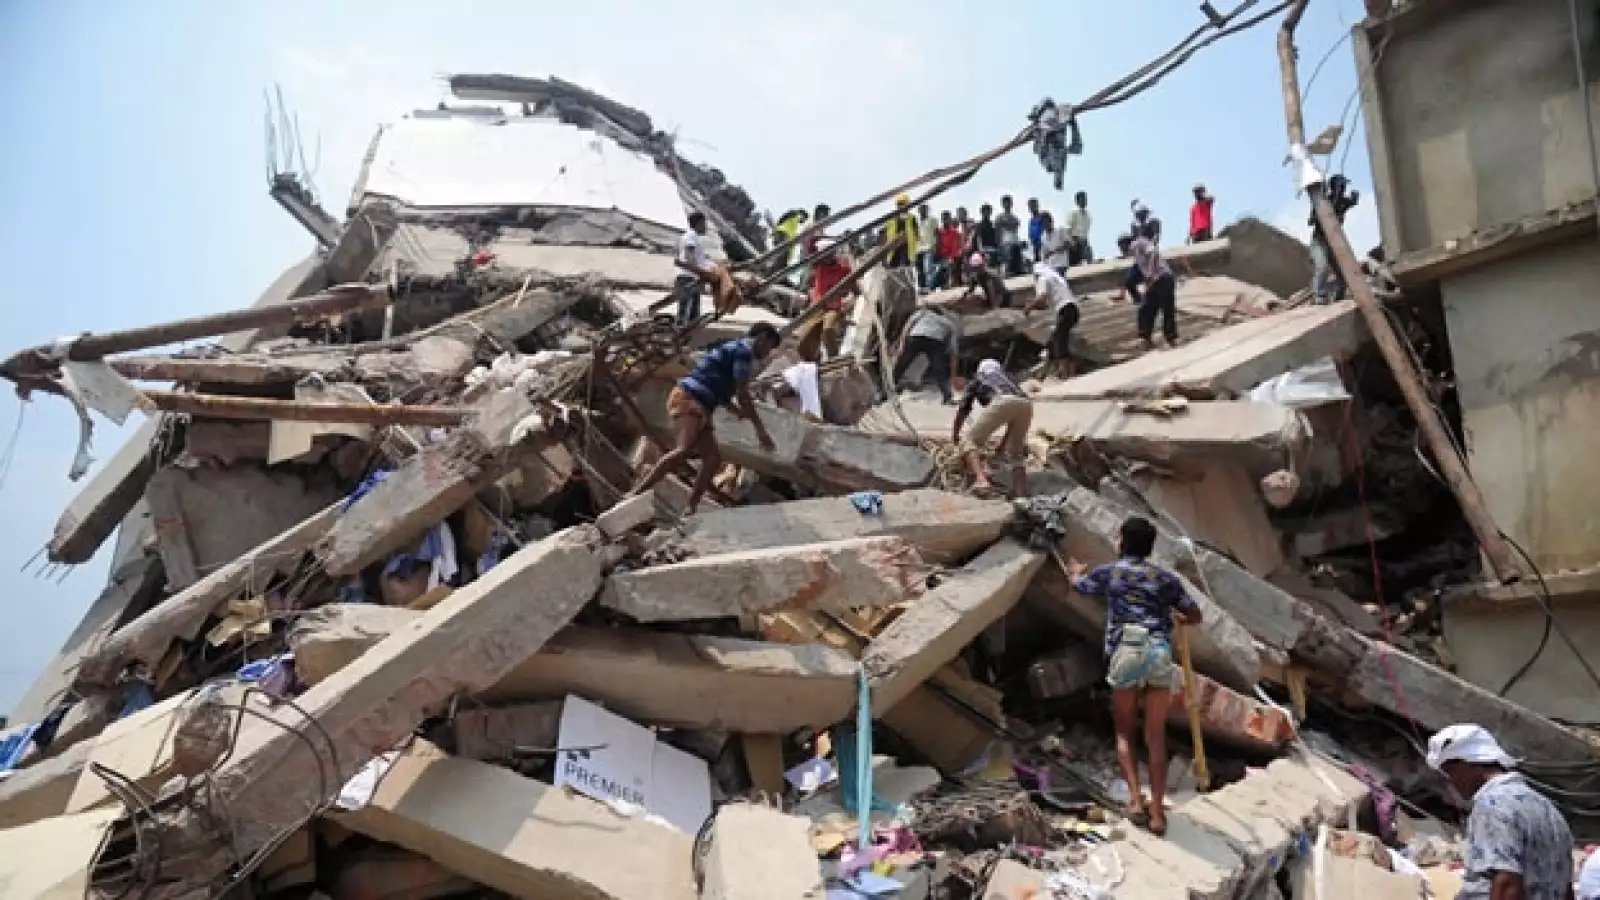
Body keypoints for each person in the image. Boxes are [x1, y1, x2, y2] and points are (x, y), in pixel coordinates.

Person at [1069, 517, 1202, 837]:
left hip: (1125, 653)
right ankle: (1157, 815)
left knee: (1124, 732)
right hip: (1157, 654)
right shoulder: (1165, 579)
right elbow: (1195, 614)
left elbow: (1081, 586)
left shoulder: (1111, 572)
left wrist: (1074, 573)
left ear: (1121, 540)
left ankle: (1135, 802)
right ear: (1150, 547)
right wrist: (1179, 618)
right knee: (1155, 736)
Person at [628, 324, 782, 516]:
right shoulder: (743, 352)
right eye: (769, 347)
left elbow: (719, 385)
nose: (767, 354)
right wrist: (760, 430)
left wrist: (735, 410)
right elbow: (742, 393)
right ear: (762, 338)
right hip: (689, 398)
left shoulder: (734, 349)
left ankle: (690, 507)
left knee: (712, 458)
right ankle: (636, 492)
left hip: (703, 405)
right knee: (683, 449)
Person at [1426, 724, 1574, 900]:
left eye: (1449, 772)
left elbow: (1507, 882)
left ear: (1467, 763)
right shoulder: (1546, 806)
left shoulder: (1491, 805)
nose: (1450, 781)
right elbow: (1566, 888)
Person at [951, 359, 1032, 497]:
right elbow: (1013, 422)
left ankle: (981, 480)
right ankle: (1021, 494)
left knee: (968, 440)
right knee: (1016, 454)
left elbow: (963, 410)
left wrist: (955, 435)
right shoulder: (1009, 379)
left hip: (1002, 400)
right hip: (1026, 404)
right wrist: (1003, 445)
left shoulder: (979, 379)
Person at [798, 235, 856, 362]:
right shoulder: (818, 265)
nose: (825, 258)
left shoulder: (843, 269)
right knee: (805, 339)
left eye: (828, 254)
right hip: (817, 307)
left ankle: (833, 359)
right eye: (823, 255)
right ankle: (812, 359)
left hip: (833, 309)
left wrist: (846, 299)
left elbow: (854, 289)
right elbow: (810, 243)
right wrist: (830, 237)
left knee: (828, 330)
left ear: (833, 254)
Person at [892, 303, 961, 404]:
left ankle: (886, 390)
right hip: (935, 341)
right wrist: (953, 375)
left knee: (901, 365)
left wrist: (901, 345)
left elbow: (907, 327)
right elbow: (954, 351)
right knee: (940, 371)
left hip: (916, 336)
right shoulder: (949, 323)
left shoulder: (922, 313)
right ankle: (947, 397)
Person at [1310, 175, 1361, 304]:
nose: (1343, 189)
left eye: (1344, 186)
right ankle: (1319, 295)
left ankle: (1339, 296)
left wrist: (1355, 197)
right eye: (1341, 186)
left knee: (1343, 271)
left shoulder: (1343, 202)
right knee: (1322, 267)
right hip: (1319, 241)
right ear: (1334, 187)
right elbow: (1310, 221)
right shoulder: (1324, 201)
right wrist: (1320, 213)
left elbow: (1352, 202)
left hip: (1334, 242)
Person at [1024, 262, 1079, 379]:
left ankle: (1064, 369)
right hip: (1072, 308)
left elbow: (1041, 299)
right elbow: (1045, 304)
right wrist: (1033, 304)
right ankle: (1064, 367)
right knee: (1055, 339)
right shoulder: (1055, 278)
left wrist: (1028, 307)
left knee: (1059, 339)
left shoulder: (1043, 278)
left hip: (1065, 309)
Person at [1131, 232, 1178, 348]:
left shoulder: (1139, 243)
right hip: (1155, 281)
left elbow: (1153, 252)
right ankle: (1146, 338)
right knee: (1147, 308)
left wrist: (1150, 272)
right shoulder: (1135, 255)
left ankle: (1170, 337)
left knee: (1167, 308)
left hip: (1163, 277)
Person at [674, 211, 713, 326]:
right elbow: (689, 255)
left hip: (690, 277)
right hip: (688, 278)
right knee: (687, 313)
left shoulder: (689, 236)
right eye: (704, 223)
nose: (706, 227)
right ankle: (680, 333)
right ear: (698, 223)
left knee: (692, 314)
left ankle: (685, 333)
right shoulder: (691, 236)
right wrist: (699, 271)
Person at [884, 193, 921, 271]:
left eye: (903, 203)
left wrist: (917, 247)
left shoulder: (912, 218)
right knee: (893, 269)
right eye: (899, 204)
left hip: (907, 247)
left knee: (906, 269)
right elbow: (885, 234)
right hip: (894, 247)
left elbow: (917, 234)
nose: (901, 206)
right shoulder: (890, 218)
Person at [995, 195, 1024, 276]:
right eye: (1005, 202)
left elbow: (1016, 229)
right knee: (1006, 262)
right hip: (1005, 242)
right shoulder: (999, 217)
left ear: (1011, 204)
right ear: (1002, 204)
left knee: (1016, 262)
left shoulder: (1015, 218)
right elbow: (997, 231)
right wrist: (998, 244)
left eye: (1009, 202)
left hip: (1015, 241)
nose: (1007, 204)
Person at [936, 211, 964, 291]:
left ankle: (950, 284)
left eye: (946, 218)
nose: (945, 220)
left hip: (951, 256)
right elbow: (938, 244)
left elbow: (955, 246)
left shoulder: (955, 232)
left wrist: (951, 257)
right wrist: (938, 254)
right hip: (941, 255)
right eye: (943, 218)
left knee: (949, 266)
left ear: (950, 219)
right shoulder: (939, 231)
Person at [915, 202, 939, 292]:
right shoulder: (917, 222)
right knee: (920, 270)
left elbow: (937, 234)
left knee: (928, 268)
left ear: (927, 210)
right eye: (921, 209)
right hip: (918, 249)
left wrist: (936, 246)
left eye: (925, 209)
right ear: (919, 211)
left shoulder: (932, 220)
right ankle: (922, 287)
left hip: (930, 247)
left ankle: (930, 287)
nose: (923, 210)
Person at [1027, 197, 1046, 266]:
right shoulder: (1031, 221)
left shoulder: (1043, 216)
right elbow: (1030, 235)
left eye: (1033, 205)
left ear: (1037, 205)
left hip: (1044, 245)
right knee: (1037, 265)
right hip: (1035, 247)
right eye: (1030, 206)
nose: (1032, 208)